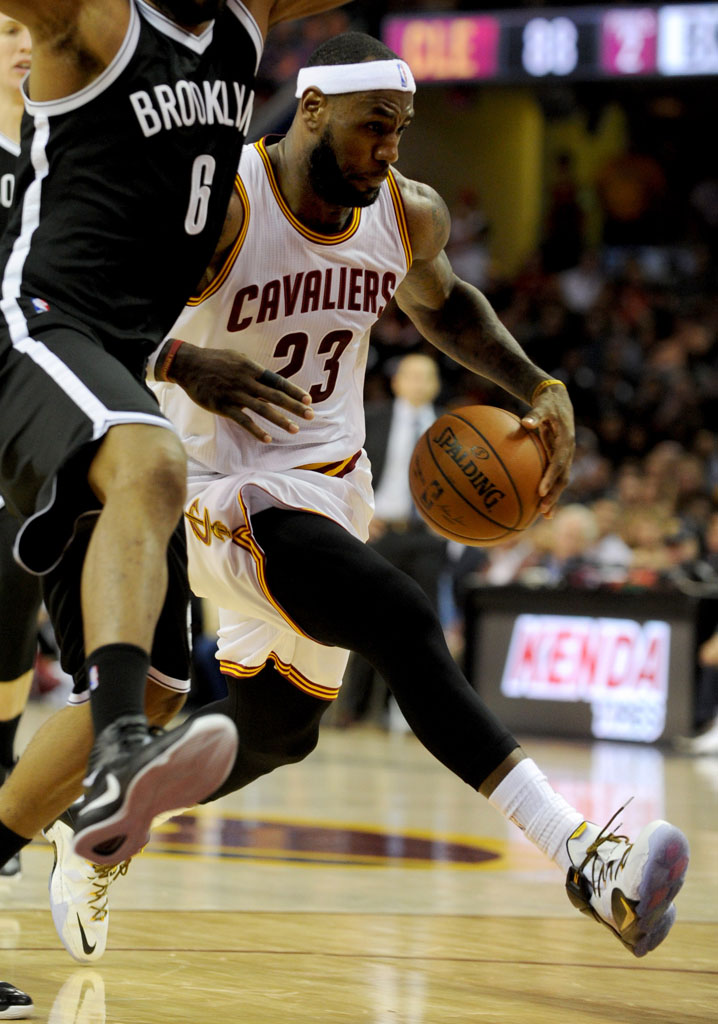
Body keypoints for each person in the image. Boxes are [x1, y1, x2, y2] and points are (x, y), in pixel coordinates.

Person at [139, 31, 685, 960]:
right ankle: (587, 855)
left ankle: (100, 817)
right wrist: (186, 362)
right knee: (398, 613)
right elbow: (101, 308)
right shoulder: (224, 199)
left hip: (326, 487)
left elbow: (444, 304)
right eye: (371, 128)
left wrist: (537, 385)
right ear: (310, 109)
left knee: (277, 731)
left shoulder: (405, 212)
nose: (389, 148)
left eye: (401, 129)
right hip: (212, 484)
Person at [0, 0, 350, 901]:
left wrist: (176, 358)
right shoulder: (92, 18)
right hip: (32, 328)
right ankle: (123, 752)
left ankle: (125, 728)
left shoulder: (244, 18)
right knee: (150, 461)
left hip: (120, 362)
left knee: (160, 684)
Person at [339, 352, 447, 727]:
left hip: (429, 537)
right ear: (397, 381)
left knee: (422, 629)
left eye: (426, 376)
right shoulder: (371, 417)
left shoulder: (453, 429)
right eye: (411, 375)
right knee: (368, 621)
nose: (419, 383)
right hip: (381, 531)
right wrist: (360, 516)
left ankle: (411, 714)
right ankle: (352, 708)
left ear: (436, 384)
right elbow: (343, 467)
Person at [0, 10, 38, 883]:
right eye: (5, 28)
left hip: (28, 422)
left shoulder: (61, 157)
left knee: (11, 640)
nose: (24, 43)